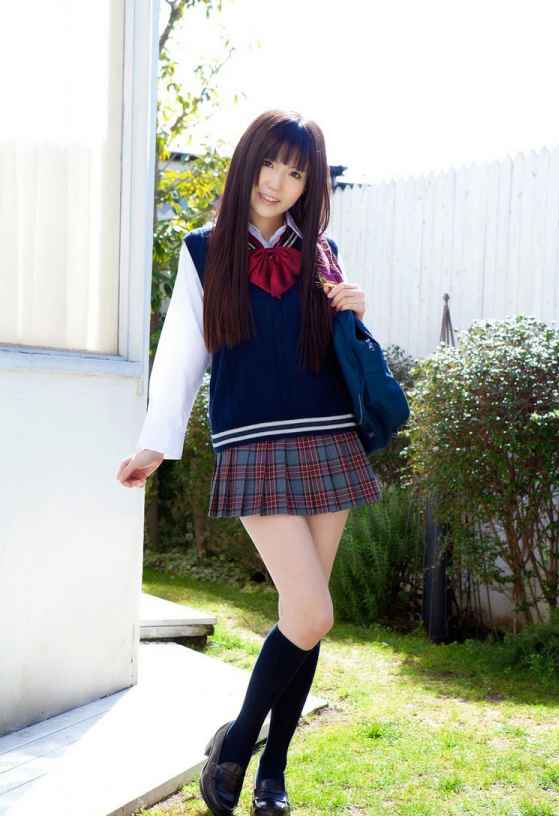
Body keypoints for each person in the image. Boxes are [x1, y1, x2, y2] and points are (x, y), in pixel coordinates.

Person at [116, 109, 383, 815]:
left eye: (295, 172)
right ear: (247, 163)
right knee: (312, 611)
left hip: (326, 435)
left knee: (305, 616)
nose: (277, 181)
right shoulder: (204, 250)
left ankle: (272, 772)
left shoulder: (321, 251)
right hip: (254, 443)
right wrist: (156, 441)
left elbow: (341, 350)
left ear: (309, 184)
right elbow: (182, 352)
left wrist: (354, 309)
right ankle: (236, 747)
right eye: (269, 163)